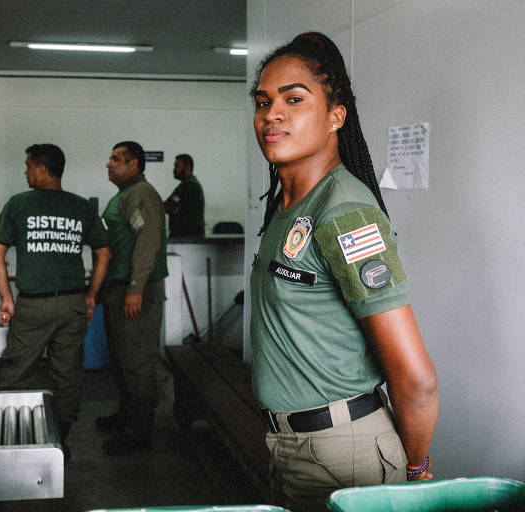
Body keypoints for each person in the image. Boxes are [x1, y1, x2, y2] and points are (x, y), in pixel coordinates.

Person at [248, 33, 438, 511]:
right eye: (264, 102)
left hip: (341, 453)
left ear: (336, 116)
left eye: (294, 99)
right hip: (295, 446)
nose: (272, 114)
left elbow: (416, 379)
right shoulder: (290, 207)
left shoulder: (344, 212)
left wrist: (416, 468)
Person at [0, 143, 110, 459]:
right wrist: (91, 295)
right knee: (67, 373)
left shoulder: (18, 204)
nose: (25, 171)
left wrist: (6, 298)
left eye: (28, 165)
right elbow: (104, 253)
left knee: (17, 370)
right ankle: (59, 440)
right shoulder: (82, 207)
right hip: (72, 303)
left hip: (33, 305)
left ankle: (15, 439)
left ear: (42, 169)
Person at [96, 141, 168, 456]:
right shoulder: (125, 194)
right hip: (120, 289)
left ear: (134, 163)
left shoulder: (141, 194)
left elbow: (147, 241)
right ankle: (126, 416)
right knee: (123, 359)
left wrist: (136, 288)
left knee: (137, 362)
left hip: (136, 291)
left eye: (116, 159)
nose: (109, 164)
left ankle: (139, 432)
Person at [164, 153, 205, 237]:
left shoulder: (189, 186)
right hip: (188, 235)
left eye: (177, 166)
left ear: (187, 168)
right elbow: (171, 206)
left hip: (187, 236)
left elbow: (168, 206)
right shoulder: (189, 184)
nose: (174, 170)